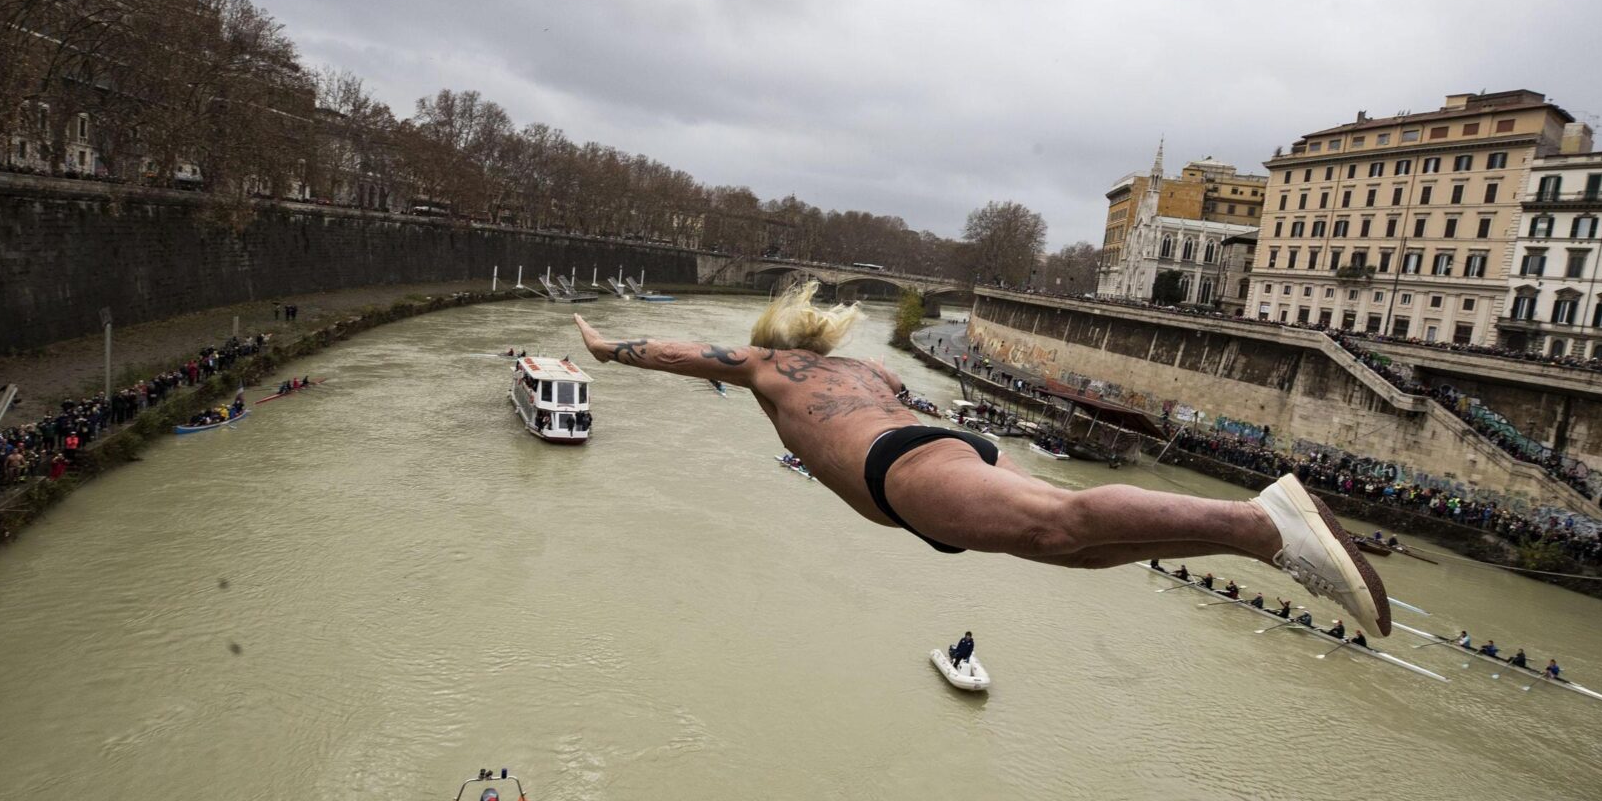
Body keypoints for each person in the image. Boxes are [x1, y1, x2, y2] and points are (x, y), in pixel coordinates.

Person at [572, 293, 1391, 634]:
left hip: (899, 472)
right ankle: (1258, 541)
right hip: (933, 449)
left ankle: (1260, 524)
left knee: (1062, 522)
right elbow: (906, 403)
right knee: (1072, 547)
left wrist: (611, 349)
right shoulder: (870, 370)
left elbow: (683, 352)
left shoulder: (766, 366)